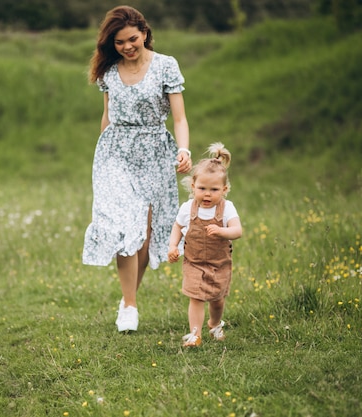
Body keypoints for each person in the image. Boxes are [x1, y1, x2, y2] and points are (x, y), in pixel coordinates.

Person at [82, 5, 192, 332]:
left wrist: (183, 149)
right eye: (119, 43)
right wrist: (102, 155)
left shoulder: (165, 66)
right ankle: (130, 306)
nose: (127, 47)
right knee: (120, 226)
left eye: (132, 39)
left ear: (144, 33)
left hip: (155, 152)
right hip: (115, 152)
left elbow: (180, 118)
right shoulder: (109, 71)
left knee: (142, 234)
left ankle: (128, 298)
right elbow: (107, 115)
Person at [167, 143, 243, 347]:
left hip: (219, 264)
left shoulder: (227, 208)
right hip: (194, 262)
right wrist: (173, 246)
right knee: (196, 297)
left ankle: (214, 323)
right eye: (202, 188)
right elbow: (177, 226)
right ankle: (195, 334)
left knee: (217, 300)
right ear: (193, 186)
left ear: (224, 189)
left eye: (214, 189)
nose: (207, 194)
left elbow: (237, 231)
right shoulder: (187, 208)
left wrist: (221, 231)